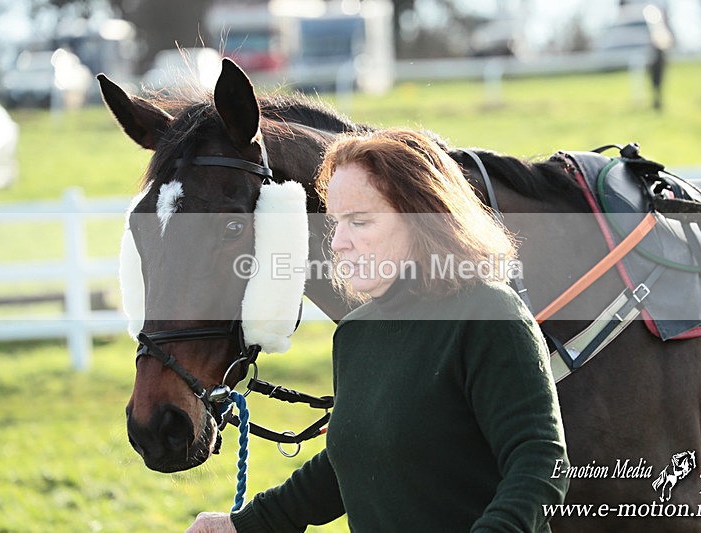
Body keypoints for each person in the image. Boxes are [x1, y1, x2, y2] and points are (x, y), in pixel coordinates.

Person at [186, 128, 569, 532]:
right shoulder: (355, 332)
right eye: (337, 224)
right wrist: (244, 525)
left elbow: (540, 460)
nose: (339, 243)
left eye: (360, 222)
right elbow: (355, 461)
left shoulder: (488, 315)